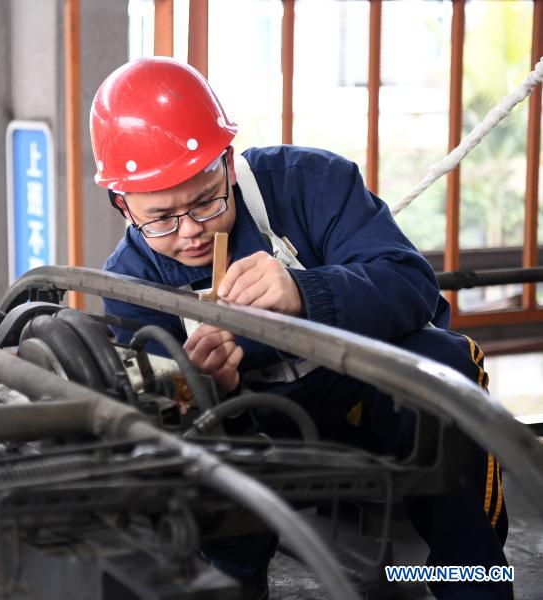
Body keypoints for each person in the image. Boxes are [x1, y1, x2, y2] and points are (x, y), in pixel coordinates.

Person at [90, 56, 510, 600]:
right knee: (206, 480)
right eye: (161, 218)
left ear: (227, 163)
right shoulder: (128, 281)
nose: (190, 232)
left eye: (205, 202)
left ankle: (468, 579)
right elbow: (156, 419)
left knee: (443, 363)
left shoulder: (310, 184)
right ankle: (236, 581)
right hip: (261, 429)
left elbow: (411, 284)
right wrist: (204, 391)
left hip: (366, 395)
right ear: (123, 206)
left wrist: (306, 293)